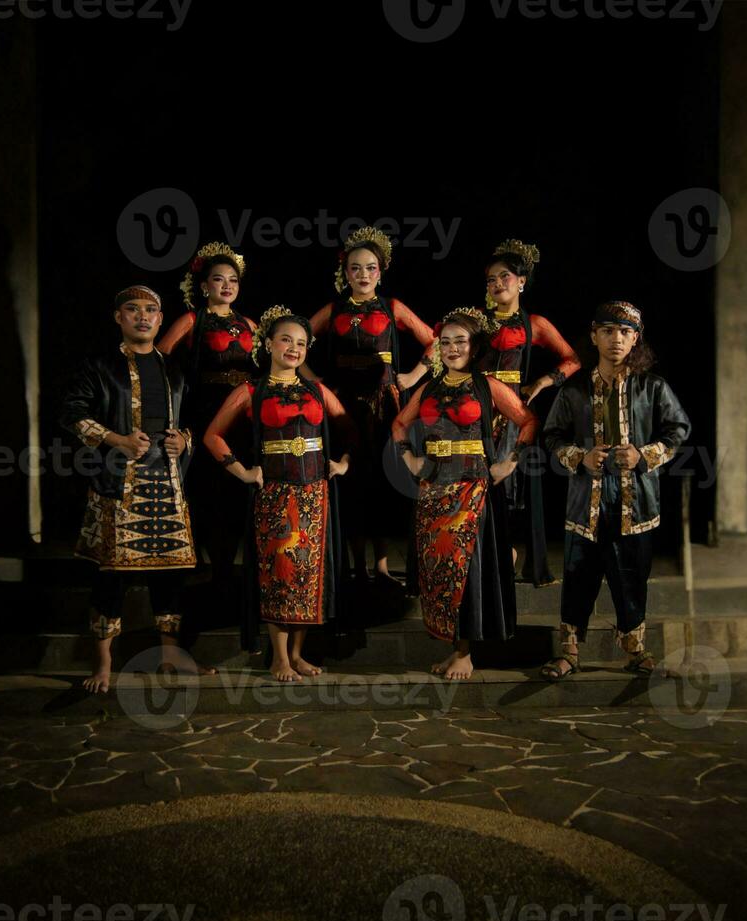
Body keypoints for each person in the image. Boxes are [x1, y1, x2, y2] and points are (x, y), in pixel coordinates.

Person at [60, 285, 212, 694]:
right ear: (118, 317)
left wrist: (185, 440)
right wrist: (116, 438)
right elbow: (72, 413)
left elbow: (195, 420)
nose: (142, 317)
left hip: (167, 484)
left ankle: (171, 657)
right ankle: (104, 664)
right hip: (118, 487)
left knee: (172, 577)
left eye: (150, 310)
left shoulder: (175, 369)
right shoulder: (100, 366)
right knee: (110, 577)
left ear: (161, 319)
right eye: (132, 309)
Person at [538, 300, 691, 681]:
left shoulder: (652, 387)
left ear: (636, 338)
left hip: (635, 501)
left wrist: (643, 454)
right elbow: (551, 436)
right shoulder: (573, 390)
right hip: (585, 502)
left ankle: (636, 651)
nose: (616, 339)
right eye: (607, 331)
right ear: (594, 336)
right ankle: (570, 654)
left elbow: (678, 430)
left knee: (631, 577)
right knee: (577, 577)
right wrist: (580, 457)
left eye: (625, 332)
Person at [202, 307, 354, 683]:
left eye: (301, 343)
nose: (294, 348)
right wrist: (242, 472)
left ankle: (298, 654)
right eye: (286, 339)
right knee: (279, 575)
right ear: (268, 343)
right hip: (274, 495)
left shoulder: (318, 391)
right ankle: (279, 659)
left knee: (308, 575)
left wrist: (344, 463)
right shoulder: (251, 390)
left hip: (315, 494)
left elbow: (348, 428)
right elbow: (212, 436)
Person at [391, 308, 536, 680]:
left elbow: (528, 420)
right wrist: (409, 459)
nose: (453, 348)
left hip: (472, 485)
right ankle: (453, 645)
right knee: (439, 568)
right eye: (446, 342)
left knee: (466, 569)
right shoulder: (429, 387)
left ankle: (465, 652)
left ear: (474, 346)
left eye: (460, 341)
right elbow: (399, 424)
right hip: (433, 486)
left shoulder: (487, 386)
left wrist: (510, 461)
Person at [308, 226, 436, 584]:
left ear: (380, 271)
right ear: (345, 272)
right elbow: (297, 335)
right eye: (355, 268)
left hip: (383, 407)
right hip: (344, 405)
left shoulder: (392, 307)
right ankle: (356, 565)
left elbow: (437, 342)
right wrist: (314, 382)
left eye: (370, 268)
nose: (363, 275)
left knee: (381, 482)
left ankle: (380, 564)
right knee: (350, 483)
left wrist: (412, 377)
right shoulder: (333, 309)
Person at [156, 243, 257, 599]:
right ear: (204, 286)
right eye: (218, 279)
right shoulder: (192, 320)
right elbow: (159, 360)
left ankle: (230, 571)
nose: (227, 286)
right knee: (207, 492)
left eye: (233, 280)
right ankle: (204, 568)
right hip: (204, 413)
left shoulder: (249, 325)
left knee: (235, 493)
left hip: (242, 418)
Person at [479, 239, 581, 585]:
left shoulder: (533, 323)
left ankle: (514, 554)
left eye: (504, 277)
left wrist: (542, 382)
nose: (497, 284)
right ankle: (485, 552)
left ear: (522, 281)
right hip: (478, 407)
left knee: (516, 485)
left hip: (516, 410)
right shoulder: (475, 321)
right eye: (491, 279)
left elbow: (573, 359)